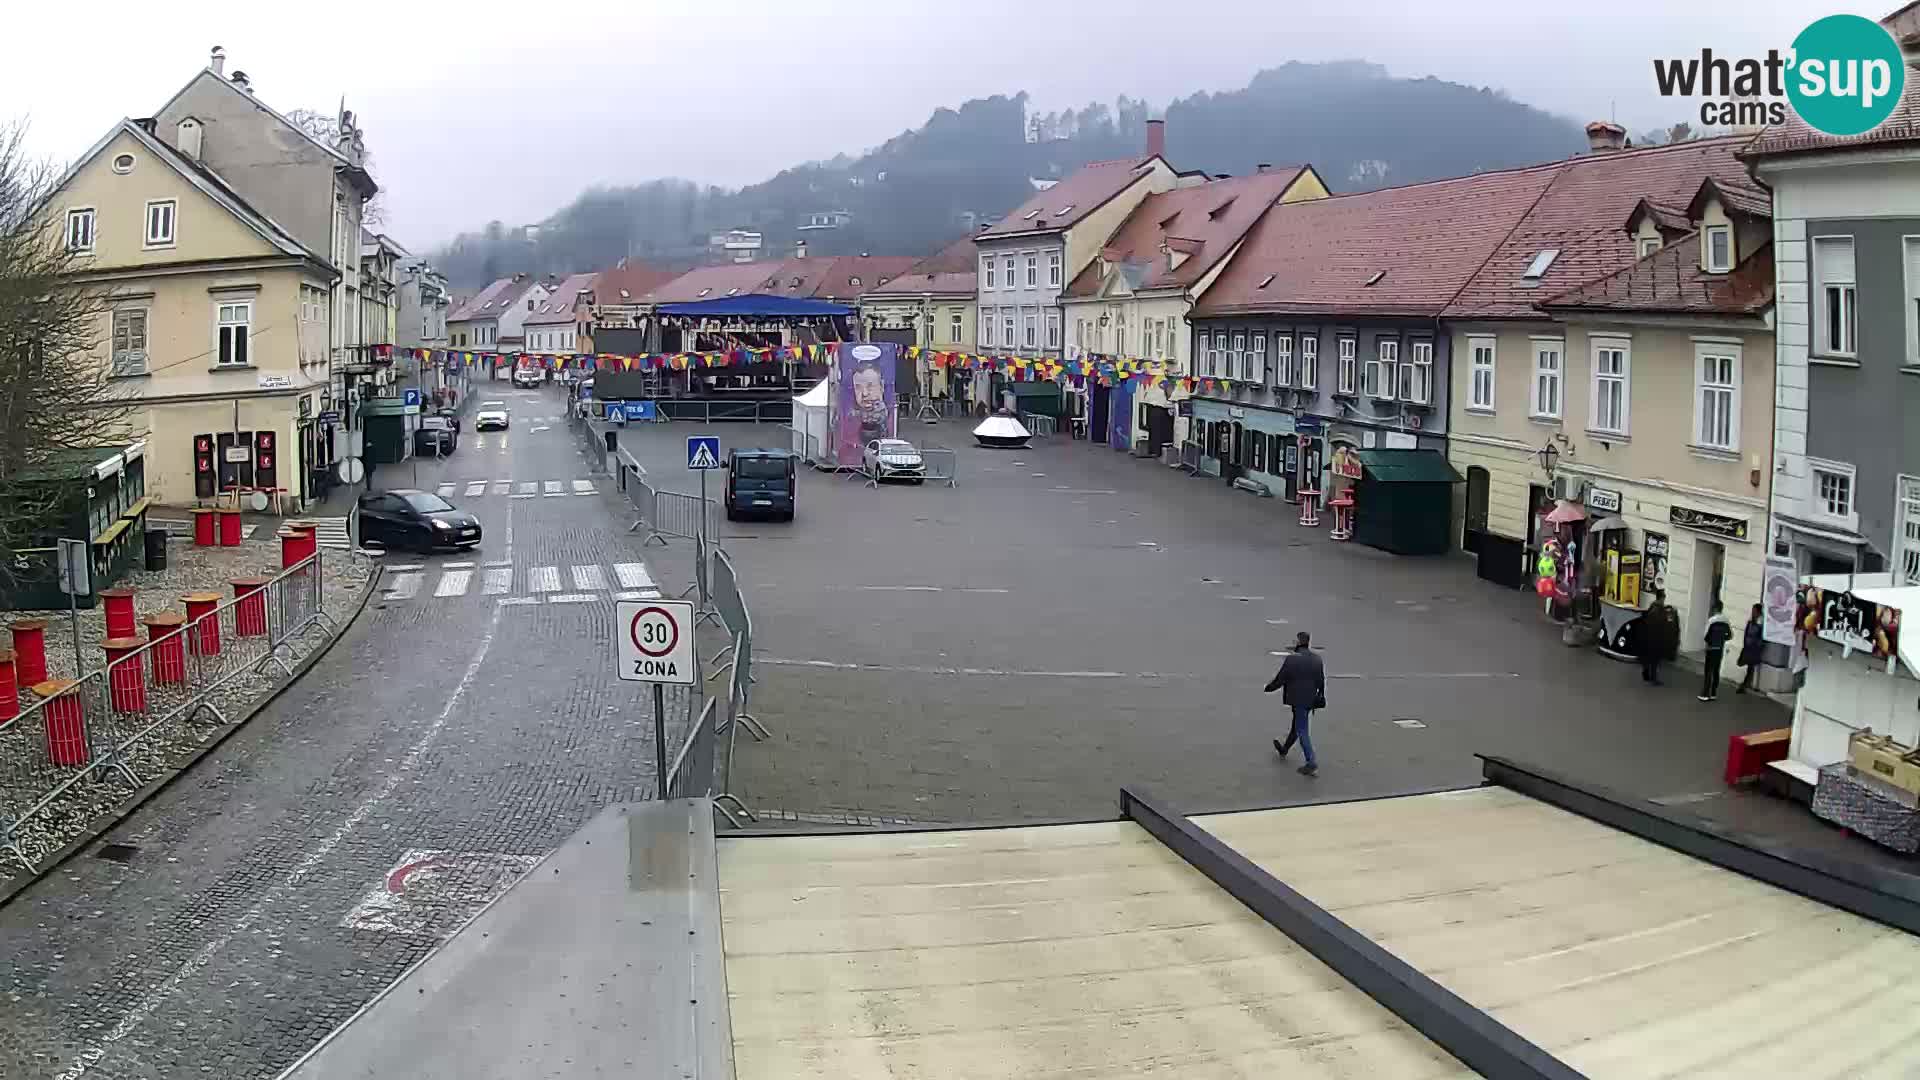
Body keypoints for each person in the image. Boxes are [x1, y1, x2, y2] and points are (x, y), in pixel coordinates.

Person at [1263, 631, 1327, 777]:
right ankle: (1284, 749)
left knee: (1302, 730)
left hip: (1298, 700)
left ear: (1298, 642)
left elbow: (1281, 679)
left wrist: (1269, 688)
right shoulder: (1317, 659)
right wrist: (1320, 696)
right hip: (1310, 700)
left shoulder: (1292, 660)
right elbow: (1321, 681)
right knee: (1297, 726)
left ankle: (1311, 761)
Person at [1699, 601, 1733, 701]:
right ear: (1721, 608)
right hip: (1719, 649)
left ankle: (1705, 694)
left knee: (1708, 671)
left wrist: (1710, 642)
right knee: (1716, 671)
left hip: (1711, 648)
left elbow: (1705, 635)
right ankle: (1713, 693)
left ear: (1715, 609)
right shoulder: (1726, 620)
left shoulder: (1712, 620)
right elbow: (1730, 635)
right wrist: (1722, 639)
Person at [1638, 591, 1671, 686]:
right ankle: (1653, 678)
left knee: (1649, 658)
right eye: (1664, 598)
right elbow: (1660, 625)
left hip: (1649, 637)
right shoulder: (1658, 610)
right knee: (1654, 660)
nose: (1664, 600)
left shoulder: (1652, 607)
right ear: (1661, 598)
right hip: (1655, 638)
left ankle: (1646, 674)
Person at [1736, 603, 1764, 694]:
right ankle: (1745, 684)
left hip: (1754, 648)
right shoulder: (1751, 621)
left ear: (1759, 612)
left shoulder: (1760, 623)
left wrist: (1757, 645)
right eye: (1753, 610)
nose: (1753, 612)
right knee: (1745, 664)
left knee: (1750, 667)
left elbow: (1759, 637)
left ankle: (1744, 685)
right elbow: (1746, 634)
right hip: (1748, 647)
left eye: (1755, 611)